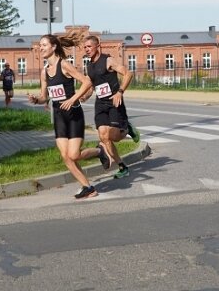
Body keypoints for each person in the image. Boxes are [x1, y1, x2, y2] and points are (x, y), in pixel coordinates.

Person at [27, 32, 109, 199]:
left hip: (73, 114)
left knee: (74, 155)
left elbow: (87, 82)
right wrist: (37, 100)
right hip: (58, 116)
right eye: (39, 46)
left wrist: (73, 99)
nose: (40, 48)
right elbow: (45, 97)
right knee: (66, 157)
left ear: (54, 46)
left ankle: (99, 151)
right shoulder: (44, 72)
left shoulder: (64, 65)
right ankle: (88, 187)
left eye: (43, 45)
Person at [82, 34, 140, 179]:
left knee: (114, 137)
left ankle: (127, 128)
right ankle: (122, 166)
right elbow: (91, 86)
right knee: (103, 136)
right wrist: (84, 97)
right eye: (85, 47)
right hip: (100, 104)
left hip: (114, 102)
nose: (86, 49)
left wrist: (120, 92)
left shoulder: (107, 60)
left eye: (89, 46)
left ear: (97, 46)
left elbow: (128, 74)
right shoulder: (89, 66)